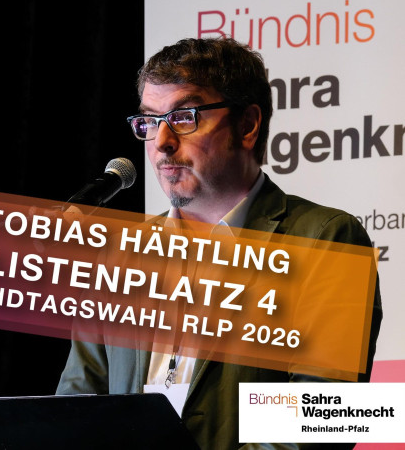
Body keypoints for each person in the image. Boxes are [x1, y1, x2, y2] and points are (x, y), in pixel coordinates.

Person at [56, 37, 382, 450]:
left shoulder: (325, 240)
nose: (161, 142)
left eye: (184, 118)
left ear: (247, 126)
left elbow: (319, 423)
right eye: (150, 122)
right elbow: (75, 410)